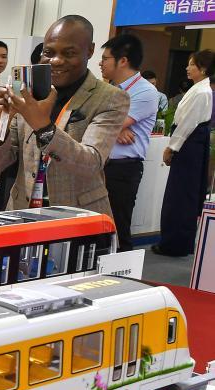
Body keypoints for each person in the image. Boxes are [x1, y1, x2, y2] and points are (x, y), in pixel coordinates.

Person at [0, 15, 129, 217]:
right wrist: (3, 123)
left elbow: (91, 164)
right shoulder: (27, 93)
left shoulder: (110, 97)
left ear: (90, 50)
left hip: (77, 215)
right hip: (22, 211)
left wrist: (44, 128)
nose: (56, 61)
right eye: (48, 53)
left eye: (69, 53)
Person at [153, 50, 214, 257]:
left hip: (189, 144)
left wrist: (172, 147)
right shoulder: (199, 89)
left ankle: (175, 244)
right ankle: (177, 241)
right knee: (183, 193)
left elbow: (187, 124)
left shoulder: (201, 92)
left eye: (192, 64)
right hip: (192, 143)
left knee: (181, 194)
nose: (187, 68)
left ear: (203, 69)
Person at [99, 34, 158, 252]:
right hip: (99, 164)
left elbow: (103, 123)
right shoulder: (107, 88)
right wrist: (117, 128)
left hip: (122, 168)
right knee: (97, 226)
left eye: (105, 59)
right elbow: (87, 119)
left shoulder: (145, 91)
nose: (100, 64)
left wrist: (114, 126)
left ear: (122, 60)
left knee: (117, 225)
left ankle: (123, 270)